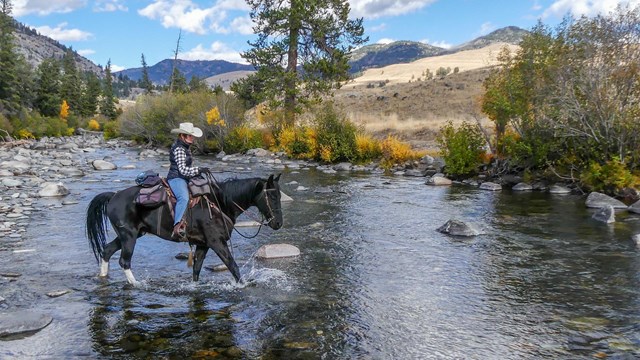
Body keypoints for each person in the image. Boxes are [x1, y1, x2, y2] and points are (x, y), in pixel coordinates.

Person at [167, 122, 209, 240]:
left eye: (192, 135)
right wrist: (198, 170)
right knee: (184, 198)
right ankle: (178, 226)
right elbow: (183, 170)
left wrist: (198, 172)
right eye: (190, 135)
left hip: (184, 177)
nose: (192, 138)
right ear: (182, 136)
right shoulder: (179, 149)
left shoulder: (186, 148)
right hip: (176, 178)